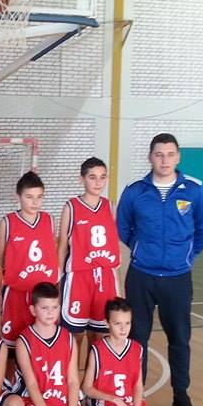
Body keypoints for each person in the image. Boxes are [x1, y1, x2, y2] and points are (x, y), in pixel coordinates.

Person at [117, 133, 203, 406]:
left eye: (170, 154)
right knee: (137, 338)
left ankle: (181, 394)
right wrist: (140, 249)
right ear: (150, 157)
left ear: (178, 157)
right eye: (159, 154)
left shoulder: (194, 190)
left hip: (177, 278)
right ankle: (135, 396)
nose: (164, 160)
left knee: (180, 338)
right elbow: (123, 227)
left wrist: (186, 255)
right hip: (141, 276)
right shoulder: (135, 191)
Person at [13, 282, 101, 406]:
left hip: (64, 404)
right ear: (33, 310)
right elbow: (32, 384)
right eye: (44, 308)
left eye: (54, 307)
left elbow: (73, 381)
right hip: (36, 405)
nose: (50, 312)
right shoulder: (24, 341)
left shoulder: (68, 338)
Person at [57, 157, 120, 368]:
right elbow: (62, 246)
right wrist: (58, 280)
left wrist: (118, 287)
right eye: (92, 177)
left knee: (99, 336)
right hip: (78, 278)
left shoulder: (111, 207)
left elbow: (114, 246)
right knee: (75, 336)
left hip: (105, 278)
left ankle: (92, 382)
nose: (98, 182)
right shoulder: (71, 207)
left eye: (102, 177)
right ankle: (72, 382)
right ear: (81, 179)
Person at [82, 298, 157, 406]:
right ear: (107, 323)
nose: (123, 328)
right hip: (105, 401)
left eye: (127, 323)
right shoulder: (97, 350)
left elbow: (138, 386)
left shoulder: (137, 349)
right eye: (117, 324)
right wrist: (115, 400)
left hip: (127, 403)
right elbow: (86, 388)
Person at [0, 171, 59, 349]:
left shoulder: (49, 221)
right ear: (18, 197)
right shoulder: (7, 222)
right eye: (29, 197)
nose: (35, 202)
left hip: (44, 296)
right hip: (16, 292)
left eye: (39, 197)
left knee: (41, 345)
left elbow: (52, 254)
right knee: (11, 345)